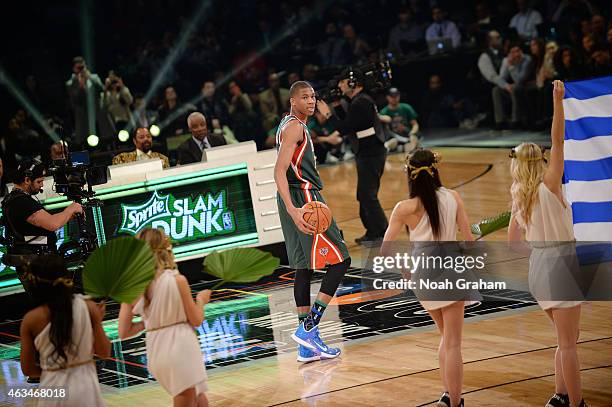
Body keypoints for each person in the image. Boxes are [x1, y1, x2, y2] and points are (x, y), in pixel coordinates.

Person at [508, 81, 588, 407]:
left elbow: (514, 244)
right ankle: (578, 403)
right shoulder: (550, 183)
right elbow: (559, 141)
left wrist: (540, 251)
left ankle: (560, 395)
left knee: (565, 339)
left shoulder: (517, 195)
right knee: (570, 343)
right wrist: (558, 101)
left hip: (538, 268)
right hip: (561, 262)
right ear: (539, 161)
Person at [382, 149, 474, 407]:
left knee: (445, 336)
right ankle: (455, 401)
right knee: (454, 342)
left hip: (422, 273)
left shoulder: (404, 207)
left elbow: (385, 249)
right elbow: (468, 241)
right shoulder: (453, 197)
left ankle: (447, 394)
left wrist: (404, 268)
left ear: (409, 174)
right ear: (435, 170)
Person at [274, 81, 351, 363]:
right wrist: (296, 210)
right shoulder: (295, 126)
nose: (311, 101)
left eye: (313, 97)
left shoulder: (286, 124)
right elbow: (279, 171)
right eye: (304, 97)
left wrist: (287, 206)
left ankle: (306, 347)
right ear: (292, 101)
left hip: (289, 200)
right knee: (341, 261)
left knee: (302, 267)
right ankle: (309, 328)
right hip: (304, 198)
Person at [118, 228, 211, 407]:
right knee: (186, 399)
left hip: (156, 350)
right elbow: (197, 320)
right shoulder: (177, 280)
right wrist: (201, 300)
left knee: (200, 399)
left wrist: (151, 320)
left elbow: (124, 331)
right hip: (181, 347)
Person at [19, 254, 111, 405]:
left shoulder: (31, 319)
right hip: (85, 387)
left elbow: (28, 369)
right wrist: (95, 322)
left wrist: (52, 371)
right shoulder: (88, 307)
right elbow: (104, 352)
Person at [317, 68, 388, 244]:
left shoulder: (361, 102)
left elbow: (345, 127)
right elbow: (349, 119)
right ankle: (373, 231)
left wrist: (327, 114)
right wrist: (336, 105)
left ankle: (383, 231)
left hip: (371, 153)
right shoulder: (359, 100)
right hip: (368, 152)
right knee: (364, 194)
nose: (340, 85)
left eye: (342, 81)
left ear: (352, 83)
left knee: (367, 194)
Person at [2, 161, 83, 293]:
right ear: (27, 180)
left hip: (35, 263)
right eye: (39, 181)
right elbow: (52, 224)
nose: (42, 185)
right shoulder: (21, 202)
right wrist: (70, 209)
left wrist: (66, 216)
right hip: (37, 267)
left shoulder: (12, 199)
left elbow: (30, 234)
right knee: (56, 303)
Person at [379, 87, 420, 153]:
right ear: (387, 97)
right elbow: (385, 129)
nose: (394, 98)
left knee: (412, 141)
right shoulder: (384, 111)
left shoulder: (406, 107)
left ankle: (407, 150)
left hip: (407, 136)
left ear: (399, 96)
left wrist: (412, 133)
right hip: (394, 138)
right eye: (392, 96)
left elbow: (415, 124)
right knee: (392, 142)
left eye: (396, 96)